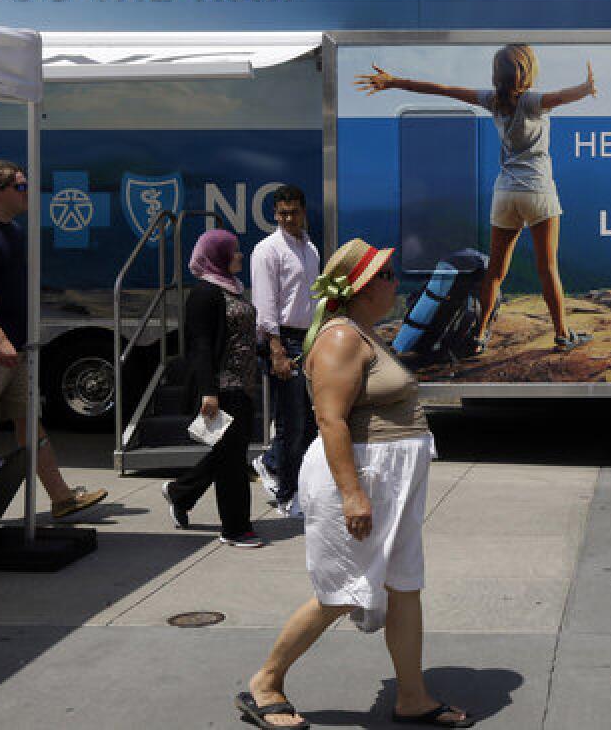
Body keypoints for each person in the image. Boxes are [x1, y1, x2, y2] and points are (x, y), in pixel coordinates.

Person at [239, 239, 471, 730]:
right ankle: (266, 681)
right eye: (386, 275)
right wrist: (352, 493)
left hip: (391, 479)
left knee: (404, 586)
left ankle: (413, 697)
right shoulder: (341, 338)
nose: (396, 283)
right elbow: (331, 420)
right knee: (343, 591)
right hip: (360, 475)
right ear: (364, 287)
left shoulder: (365, 333)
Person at [354, 44, 596, 355]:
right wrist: (586, 88)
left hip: (505, 193)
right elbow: (562, 97)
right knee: (547, 267)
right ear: (527, 72)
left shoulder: (493, 101)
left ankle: (480, 335)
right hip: (538, 190)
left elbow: (443, 90)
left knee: (495, 271)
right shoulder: (532, 102)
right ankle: (562, 334)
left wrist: (395, 82)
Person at [0, 160, 106, 519]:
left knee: (29, 422)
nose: (27, 191)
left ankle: (61, 497)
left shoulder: (13, 230)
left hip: (18, 346)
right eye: (19, 186)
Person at [161, 228, 261, 548]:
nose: (239, 255)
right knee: (232, 461)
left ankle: (181, 491)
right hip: (223, 386)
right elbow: (200, 347)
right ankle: (235, 529)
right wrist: (208, 391)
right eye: (233, 251)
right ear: (217, 256)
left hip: (243, 384)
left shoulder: (231, 288)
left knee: (228, 453)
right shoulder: (204, 294)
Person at [251, 184, 320, 516]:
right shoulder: (268, 251)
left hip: (308, 339)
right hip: (284, 341)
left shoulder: (311, 250)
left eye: (293, 212)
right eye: (282, 213)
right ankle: (286, 493)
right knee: (290, 422)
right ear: (275, 214)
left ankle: (281, 470)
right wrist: (276, 350)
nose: (288, 218)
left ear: (304, 211)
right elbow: (265, 307)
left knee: (309, 422)